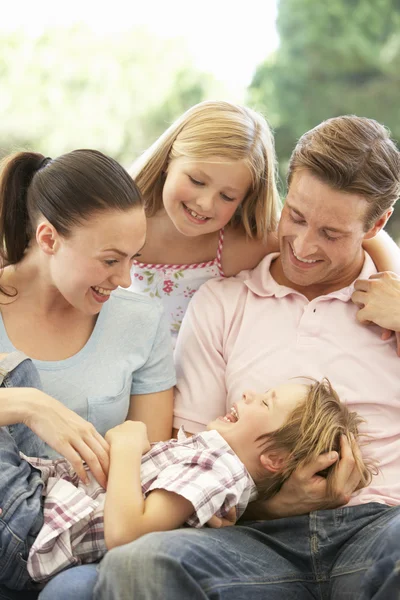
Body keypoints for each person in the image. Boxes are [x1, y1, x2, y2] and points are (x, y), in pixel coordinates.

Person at [89, 115, 400, 600]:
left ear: (376, 225)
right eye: (295, 216)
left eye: (332, 233)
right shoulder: (222, 302)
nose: (303, 244)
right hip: (252, 538)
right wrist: (269, 508)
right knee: (138, 566)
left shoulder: (395, 306)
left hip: (381, 527)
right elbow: (189, 456)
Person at [0, 353, 373, 591]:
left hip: (29, 527)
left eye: (264, 401)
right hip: (37, 503)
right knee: (16, 371)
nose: (245, 395)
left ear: (274, 458)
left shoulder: (219, 467)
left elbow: (127, 536)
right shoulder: (213, 461)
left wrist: (129, 444)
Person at [0, 149, 175, 600]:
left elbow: (151, 465)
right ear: (49, 238)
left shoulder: (142, 323)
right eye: (110, 259)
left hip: (80, 544)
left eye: (134, 258)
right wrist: (28, 404)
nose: (124, 278)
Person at [126, 100, 400, 342]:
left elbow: (367, 234)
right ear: (169, 158)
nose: (205, 203)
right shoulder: (117, 221)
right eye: (196, 180)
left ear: (244, 200)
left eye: (227, 196)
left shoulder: (239, 247)